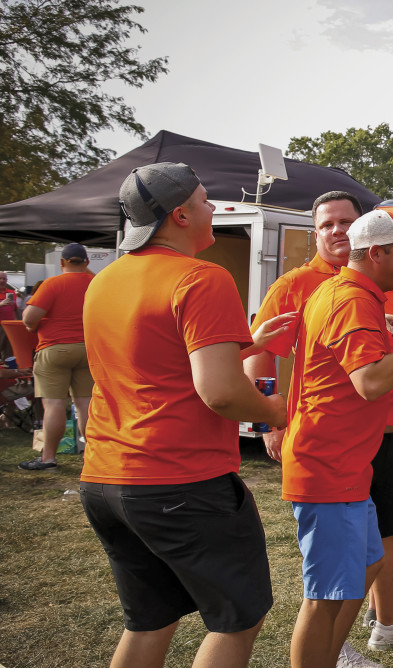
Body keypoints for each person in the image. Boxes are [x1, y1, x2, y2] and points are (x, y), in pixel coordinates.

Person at [79, 162, 290, 668]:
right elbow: (220, 394)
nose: (213, 208)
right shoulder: (202, 277)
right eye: (204, 200)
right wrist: (275, 410)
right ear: (179, 215)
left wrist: (246, 344)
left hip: (107, 479)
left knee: (149, 620)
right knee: (238, 618)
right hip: (180, 480)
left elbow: (155, 365)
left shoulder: (103, 282)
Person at [282, 209, 393, 668]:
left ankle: (330, 656)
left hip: (345, 463)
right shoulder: (352, 298)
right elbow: (371, 382)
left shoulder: (350, 291)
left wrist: (388, 329)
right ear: (376, 253)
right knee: (322, 599)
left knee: (368, 564)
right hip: (328, 465)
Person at [19, 243, 93, 470]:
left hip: (54, 349)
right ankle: (92, 458)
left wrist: (33, 328)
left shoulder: (52, 283)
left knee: (54, 404)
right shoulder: (96, 282)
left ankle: (48, 457)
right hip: (88, 349)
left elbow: (30, 318)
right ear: (86, 262)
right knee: (86, 405)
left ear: (62, 262)